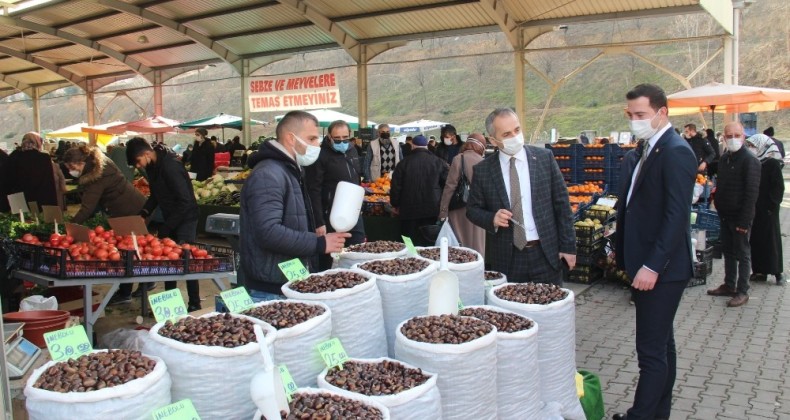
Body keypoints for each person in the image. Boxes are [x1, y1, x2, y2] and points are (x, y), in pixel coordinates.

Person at [612, 84, 697, 420]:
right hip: (647, 265)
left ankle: (641, 415)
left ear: (663, 113)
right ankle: (658, 413)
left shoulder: (676, 151)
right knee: (663, 347)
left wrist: (652, 265)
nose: (635, 121)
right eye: (630, 115)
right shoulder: (645, 149)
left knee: (650, 352)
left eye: (641, 115)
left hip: (661, 270)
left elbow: (676, 218)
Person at [240, 111, 349, 300]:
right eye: (312, 138)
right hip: (270, 289)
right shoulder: (268, 175)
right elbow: (268, 232)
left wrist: (310, 232)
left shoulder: (290, 170)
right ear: (291, 138)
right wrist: (319, 243)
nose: (317, 145)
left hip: (285, 281)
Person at [467, 108, 576, 285]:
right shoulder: (483, 170)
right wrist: (492, 218)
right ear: (493, 141)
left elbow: (562, 205)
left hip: (546, 253)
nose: (515, 137)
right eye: (507, 134)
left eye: (517, 130)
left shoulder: (544, 159)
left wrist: (568, 247)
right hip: (508, 258)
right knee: (510, 310)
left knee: (548, 307)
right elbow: (472, 210)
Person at [125, 138, 202, 310]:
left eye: (137, 161)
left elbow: (185, 202)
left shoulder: (170, 166)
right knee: (169, 262)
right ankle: (170, 304)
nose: (138, 166)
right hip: (172, 216)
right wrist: (144, 212)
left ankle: (194, 304)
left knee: (186, 260)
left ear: (146, 154)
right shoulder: (153, 167)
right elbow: (156, 195)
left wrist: (168, 227)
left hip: (186, 218)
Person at [707, 122, 761, 307]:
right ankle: (729, 284)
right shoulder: (725, 159)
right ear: (724, 137)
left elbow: (751, 193)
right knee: (728, 252)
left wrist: (744, 221)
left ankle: (742, 290)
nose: (732, 139)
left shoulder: (750, 161)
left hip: (740, 217)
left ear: (743, 137)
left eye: (736, 135)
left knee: (742, 253)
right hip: (725, 214)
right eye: (729, 136)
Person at [305, 120, 365, 270]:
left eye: (345, 138)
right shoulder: (320, 155)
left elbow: (356, 179)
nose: (342, 142)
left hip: (353, 212)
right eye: (337, 139)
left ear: (350, 136)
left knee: (357, 250)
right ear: (329, 137)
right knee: (328, 256)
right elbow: (314, 189)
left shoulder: (352, 151)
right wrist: (319, 221)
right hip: (330, 213)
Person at [62, 146, 146, 224]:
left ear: (81, 163)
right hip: (132, 205)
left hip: (131, 210)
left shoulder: (95, 176)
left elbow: (87, 208)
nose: (70, 171)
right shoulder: (97, 161)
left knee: (137, 236)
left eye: (72, 168)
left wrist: (71, 225)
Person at [390, 135, 448, 246]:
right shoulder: (438, 162)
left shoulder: (403, 163)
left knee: (408, 241)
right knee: (428, 242)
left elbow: (396, 187)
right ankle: (427, 260)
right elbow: (446, 186)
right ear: (426, 146)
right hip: (431, 209)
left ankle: (409, 258)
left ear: (412, 146)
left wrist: (395, 204)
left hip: (408, 209)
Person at [744, 134, 785, 285]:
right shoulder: (754, 162)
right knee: (756, 240)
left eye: (753, 146)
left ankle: (777, 272)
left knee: (771, 241)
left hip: (768, 210)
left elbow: (778, 187)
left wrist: (771, 206)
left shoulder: (772, 163)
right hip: (755, 208)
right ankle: (759, 271)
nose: (751, 149)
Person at [438, 133, 487, 255]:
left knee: (459, 244)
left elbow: (450, 186)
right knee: (477, 244)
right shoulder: (485, 162)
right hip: (479, 210)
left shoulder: (459, 159)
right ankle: (476, 268)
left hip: (458, 209)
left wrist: (443, 211)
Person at [0, 132, 66, 212]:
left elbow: (6, 179)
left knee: (20, 221)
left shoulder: (14, 156)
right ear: (37, 142)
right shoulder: (44, 158)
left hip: (18, 199)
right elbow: (48, 183)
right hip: (40, 199)